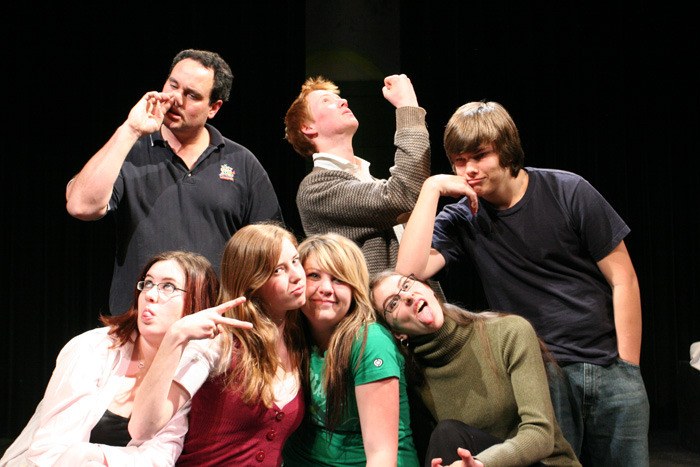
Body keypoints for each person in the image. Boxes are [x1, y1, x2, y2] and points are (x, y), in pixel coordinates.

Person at [394, 100, 649, 465]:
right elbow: (409, 271)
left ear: (507, 150)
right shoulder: (463, 218)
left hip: (608, 368)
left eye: (479, 156)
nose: (469, 170)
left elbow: (623, 278)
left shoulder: (568, 190)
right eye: (459, 161)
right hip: (544, 374)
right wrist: (432, 188)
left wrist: (628, 365)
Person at [66, 48, 283, 315]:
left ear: (213, 108)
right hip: (139, 323)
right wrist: (131, 130)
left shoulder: (241, 162)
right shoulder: (129, 151)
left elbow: (272, 250)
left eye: (191, 95)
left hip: (214, 327)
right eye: (173, 86)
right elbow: (80, 206)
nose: (176, 99)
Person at [0, 250, 250, 466]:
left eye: (168, 287)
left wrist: (89, 454)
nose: (150, 295)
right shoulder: (93, 348)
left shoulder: (188, 365)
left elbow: (159, 459)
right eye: (148, 283)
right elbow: (47, 451)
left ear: (197, 304)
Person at [129, 222, 306, 466]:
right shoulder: (220, 341)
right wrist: (176, 336)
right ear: (252, 281)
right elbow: (143, 428)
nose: (297, 275)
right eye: (279, 270)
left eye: (296, 261)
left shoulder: (298, 343)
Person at [370, 271, 581, 467]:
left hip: (545, 462)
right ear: (397, 334)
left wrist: (481, 463)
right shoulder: (414, 378)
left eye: (407, 284)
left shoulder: (507, 332)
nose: (407, 296)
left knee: (448, 433)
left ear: (428, 288)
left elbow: (541, 435)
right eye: (393, 303)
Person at [284, 74, 447, 278]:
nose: (343, 101)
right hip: (381, 309)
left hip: (414, 302)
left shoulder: (368, 181)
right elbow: (403, 195)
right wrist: (408, 106)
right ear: (308, 128)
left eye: (338, 98)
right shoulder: (316, 189)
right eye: (326, 101)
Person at [283, 233, 420, 466]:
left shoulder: (370, 340)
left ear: (354, 288)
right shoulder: (290, 335)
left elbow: (381, 456)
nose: (326, 288)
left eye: (339, 279)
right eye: (314, 276)